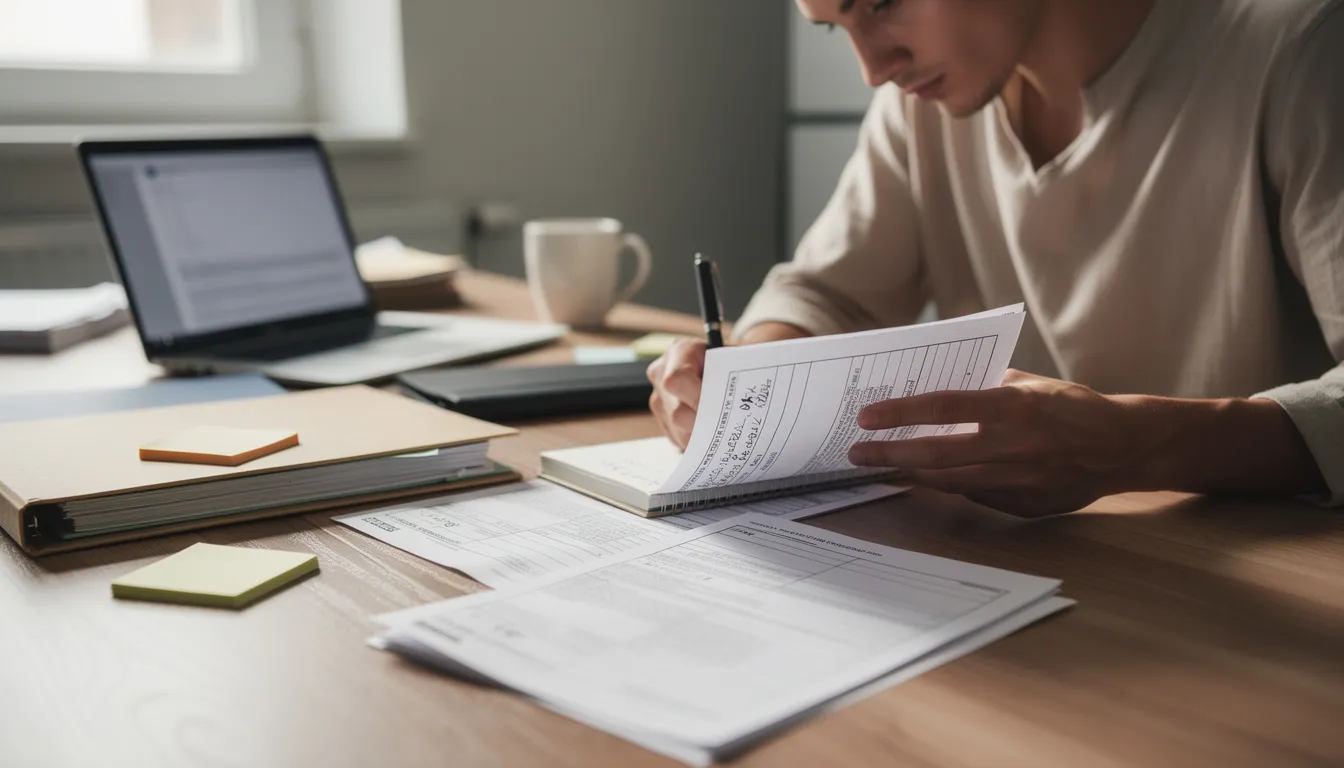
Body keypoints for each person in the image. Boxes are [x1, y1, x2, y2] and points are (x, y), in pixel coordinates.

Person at [647, 0, 1344, 517]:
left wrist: (1135, 444)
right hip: (1019, 564)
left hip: (1261, 581)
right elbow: (827, 295)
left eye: (883, 2)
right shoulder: (921, 104)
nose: (872, 70)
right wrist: (748, 384)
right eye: (834, 24)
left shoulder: (1300, 49)